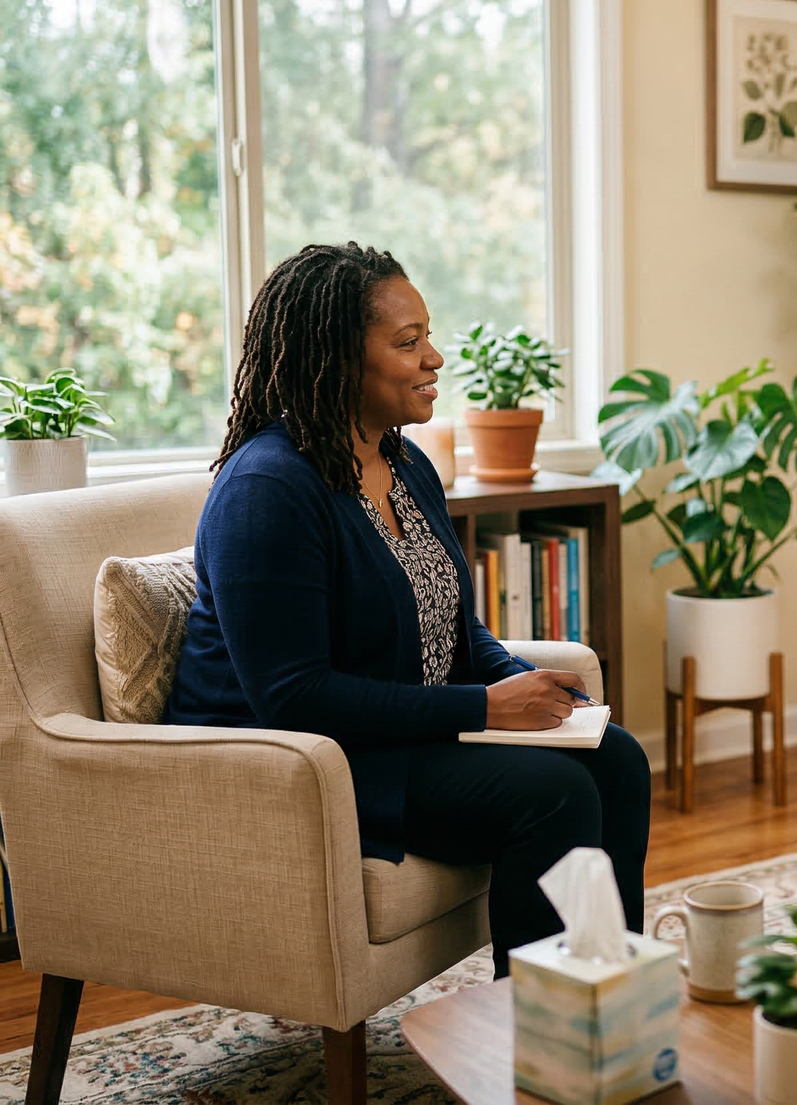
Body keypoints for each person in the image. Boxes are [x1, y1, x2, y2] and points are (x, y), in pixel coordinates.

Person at [166, 242, 650, 979]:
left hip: (391, 736)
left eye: (427, 334)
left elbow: (456, 630)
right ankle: (533, 1035)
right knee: (551, 796)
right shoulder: (266, 488)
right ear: (336, 356)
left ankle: (608, 997)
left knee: (618, 760)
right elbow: (292, 695)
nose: (436, 358)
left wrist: (533, 692)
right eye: (407, 341)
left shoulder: (406, 463)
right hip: (295, 764)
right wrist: (486, 709)